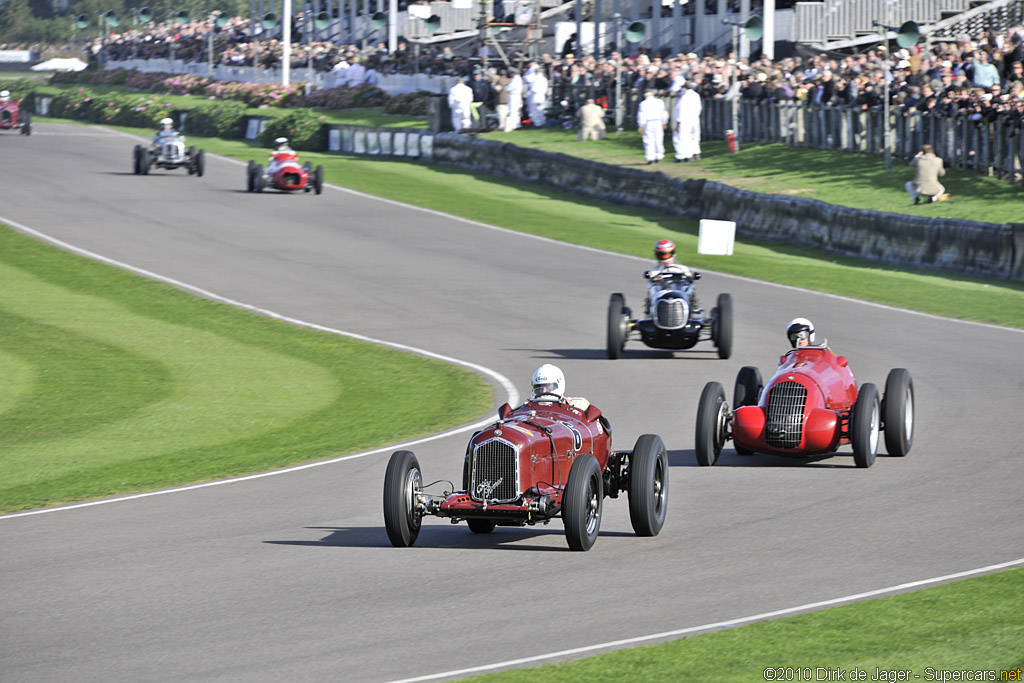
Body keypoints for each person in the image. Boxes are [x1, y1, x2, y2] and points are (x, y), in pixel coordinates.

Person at [672, 81, 702, 162]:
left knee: (682, 138)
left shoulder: (684, 96)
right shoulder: (696, 95)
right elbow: (699, 108)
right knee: (694, 137)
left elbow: (680, 109)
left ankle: (683, 156)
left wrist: (678, 122)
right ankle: (695, 153)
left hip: (685, 119)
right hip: (695, 118)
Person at [636, 90, 668, 164]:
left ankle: (650, 158)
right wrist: (664, 122)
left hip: (648, 123)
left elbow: (641, 115)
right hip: (658, 122)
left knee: (648, 140)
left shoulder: (643, 103)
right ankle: (659, 156)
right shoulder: (660, 102)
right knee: (658, 140)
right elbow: (664, 113)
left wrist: (641, 125)